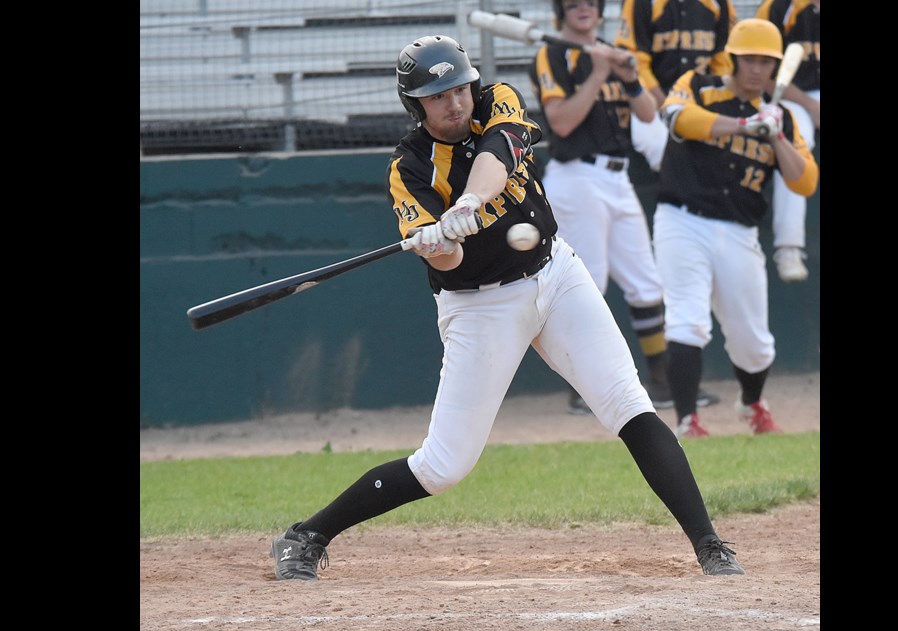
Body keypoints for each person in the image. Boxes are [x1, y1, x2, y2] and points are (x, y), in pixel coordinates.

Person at [269, 34, 745, 581]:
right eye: (437, 95)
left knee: (628, 405)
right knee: (444, 466)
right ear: (414, 105)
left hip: (556, 272)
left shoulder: (499, 100)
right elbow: (447, 266)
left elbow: (497, 158)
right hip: (480, 307)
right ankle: (306, 536)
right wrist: (439, 241)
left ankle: (710, 545)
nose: (454, 102)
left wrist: (469, 202)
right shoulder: (409, 169)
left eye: (459, 88)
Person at [528, 0, 719, 415]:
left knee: (647, 284)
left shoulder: (609, 49)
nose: (583, 10)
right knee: (588, 285)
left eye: (591, 4)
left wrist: (630, 78)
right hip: (577, 176)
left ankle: (662, 382)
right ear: (561, 11)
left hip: (618, 176)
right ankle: (583, 387)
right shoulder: (554, 53)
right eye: (573, 4)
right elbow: (561, 122)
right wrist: (598, 73)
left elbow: (649, 114)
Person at [652, 19, 819, 438]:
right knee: (686, 320)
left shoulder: (781, 116)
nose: (757, 69)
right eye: (749, 60)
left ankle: (752, 403)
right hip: (681, 219)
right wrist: (744, 127)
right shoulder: (699, 84)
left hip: (739, 231)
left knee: (754, 342)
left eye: (766, 62)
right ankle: (688, 421)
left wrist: (776, 136)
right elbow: (676, 119)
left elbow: (805, 180)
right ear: (734, 57)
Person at [613, 0, 738, 173]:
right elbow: (635, 63)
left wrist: (713, 107)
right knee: (661, 148)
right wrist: (668, 105)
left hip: (701, 102)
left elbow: (723, 62)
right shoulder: (641, 3)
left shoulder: (719, 4)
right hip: (651, 104)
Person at [755, 0, 820, 282]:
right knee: (795, 141)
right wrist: (810, 104)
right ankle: (789, 246)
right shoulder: (777, 8)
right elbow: (763, 77)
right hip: (792, 97)